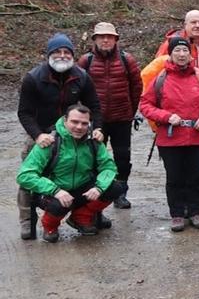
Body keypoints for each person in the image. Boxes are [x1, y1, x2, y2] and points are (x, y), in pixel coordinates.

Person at [16, 33, 104, 240]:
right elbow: (24, 113)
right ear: (49, 54)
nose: (62, 55)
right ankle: (27, 221)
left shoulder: (81, 76)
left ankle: (89, 215)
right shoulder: (33, 78)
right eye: (57, 52)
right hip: (42, 134)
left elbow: (95, 107)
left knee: (89, 173)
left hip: (76, 134)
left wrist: (98, 128)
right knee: (29, 179)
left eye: (67, 52)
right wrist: (37, 136)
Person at [139, 36, 199, 232]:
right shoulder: (161, 78)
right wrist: (165, 116)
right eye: (177, 51)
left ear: (190, 55)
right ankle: (176, 214)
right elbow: (145, 104)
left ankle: (194, 211)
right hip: (170, 138)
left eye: (185, 51)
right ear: (171, 54)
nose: (181, 55)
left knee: (195, 176)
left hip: (196, 136)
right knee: (174, 177)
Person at [17, 104, 123, 243]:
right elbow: (24, 176)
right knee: (58, 205)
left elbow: (109, 167)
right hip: (53, 191)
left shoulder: (94, 142)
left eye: (84, 123)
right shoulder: (49, 142)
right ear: (65, 120)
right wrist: (55, 190)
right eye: (74, 122)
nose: (79, 127)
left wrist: (99, 187)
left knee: (115, 188)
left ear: (90, 124)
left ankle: (80, 217)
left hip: (81, 188)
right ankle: (50, 227)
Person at [77, 22, 142, 209]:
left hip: (122, 118)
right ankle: (98, 197)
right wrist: (85, 116)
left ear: (116, 39)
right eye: (101, 36)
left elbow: (137, 87)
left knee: (123, 158)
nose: (106, 40)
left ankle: (120, 194)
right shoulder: (85, 61)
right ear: (95, 39)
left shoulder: (126, 59)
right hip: (96, 121)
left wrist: (130, 110)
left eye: (109, 36)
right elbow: (77, 89)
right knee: (94, 159)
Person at [155, 9, 199, 76]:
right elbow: (157, 69)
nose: (197, 25)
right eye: (193, 22)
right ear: (185, 25)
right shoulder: (172, 44)